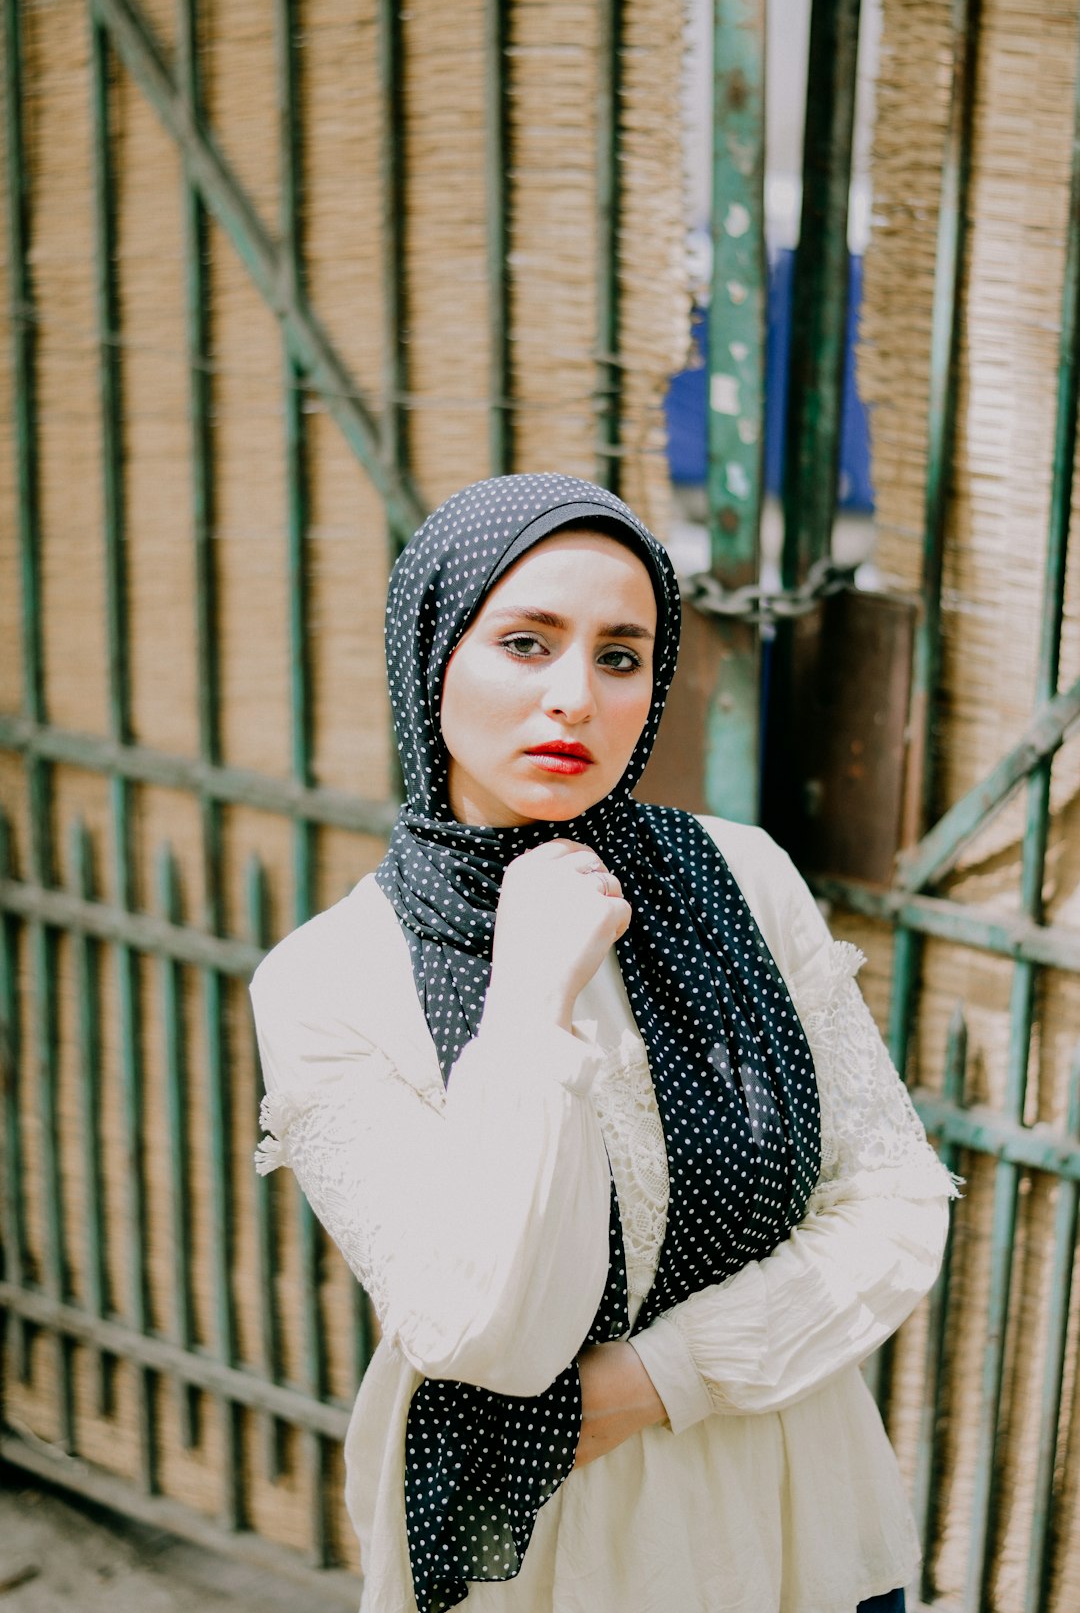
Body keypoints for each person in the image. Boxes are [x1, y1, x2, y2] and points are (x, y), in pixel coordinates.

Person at [251, 473, 956, 1613]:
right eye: (526, 642)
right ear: (431, 651)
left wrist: (649, 1380)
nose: (574, 696)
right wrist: (530, 991)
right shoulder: (328, 981)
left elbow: (895, 1200)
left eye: (620, 655)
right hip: (532, 1538)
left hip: (789, 1501)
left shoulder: (740, 877)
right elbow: (487, 1331)